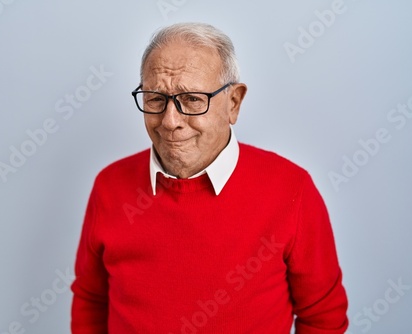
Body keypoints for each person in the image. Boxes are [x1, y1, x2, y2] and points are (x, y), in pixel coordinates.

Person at [71, 22, 348, 333]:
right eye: (155, 98)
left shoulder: (292, 189)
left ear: (233, 103)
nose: (170, 121)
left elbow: (323, 316)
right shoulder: (109, 186)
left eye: (191, 99)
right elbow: (91, 299)